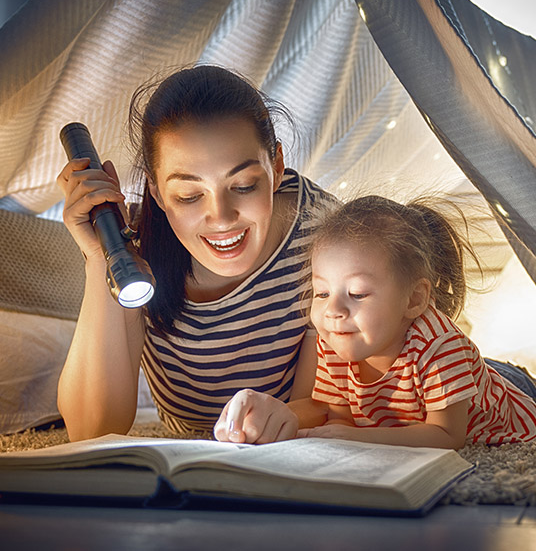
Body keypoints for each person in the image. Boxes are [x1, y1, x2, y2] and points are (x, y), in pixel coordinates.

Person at [56, 65, 334, 441]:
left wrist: (286, 418)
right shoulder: (136, 247)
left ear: (277, 167)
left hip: (286, 444)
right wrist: (98, 256)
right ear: (155, 191)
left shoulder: (324, 234)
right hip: (188, 456)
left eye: (245, 185)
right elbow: (93, 430)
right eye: (188, 195)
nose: (221, 218)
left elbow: (327, 406)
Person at [214, 195, 536, 448]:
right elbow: (339, 417)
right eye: (322, 292)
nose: (333, 310)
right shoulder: (336, 339)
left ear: (413, 299)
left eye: (357, 293)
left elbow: (448, 437)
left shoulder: (440, 345)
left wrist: (357, 439)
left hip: (512, 395)